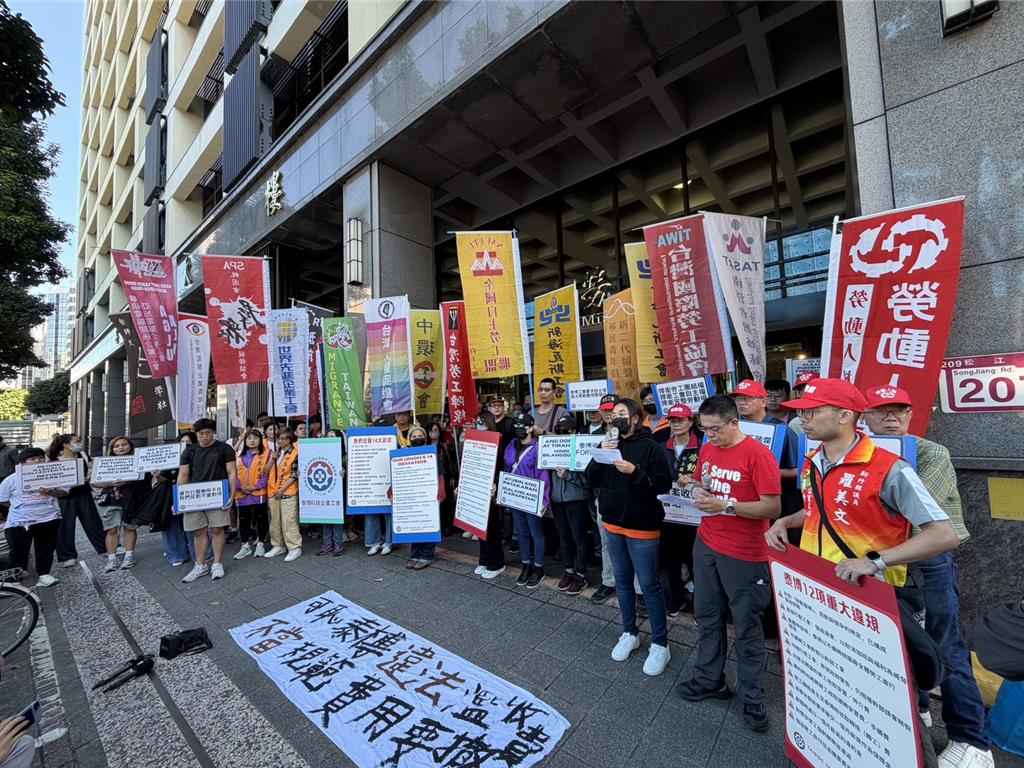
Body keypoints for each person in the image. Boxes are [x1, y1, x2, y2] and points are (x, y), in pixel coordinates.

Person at [860, 385, 991, 768]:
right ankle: (916, 710)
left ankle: (971, 739)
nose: (892, 418)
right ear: (863, 417)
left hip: (926, 560)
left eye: (899, 411)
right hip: (877, 559)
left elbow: (912, 511)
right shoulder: (857, 455)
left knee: (944, 642)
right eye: (881, 411)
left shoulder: (931, 452)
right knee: (899, 639)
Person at [676, 394, 781, 732]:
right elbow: (706, 482)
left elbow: (771, 508)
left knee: (747, 626)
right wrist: (696, 488)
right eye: (704, 430)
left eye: (716, 430)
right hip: (707, 543)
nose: (709, 436)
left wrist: (727, 506)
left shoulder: (758, 455)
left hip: (745, 553)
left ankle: (753, 697)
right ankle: (710, 679)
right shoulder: (708, 448)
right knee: (706, 615)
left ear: (734, 423)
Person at [587, 398, 673, 675]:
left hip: (642, 526)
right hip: (612, 524)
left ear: (635, 418)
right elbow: (591, 479)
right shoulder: (608, 443)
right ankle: (629, 632)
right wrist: (601, 454)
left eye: (622, 413)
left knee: (648, 586)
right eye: (614, 414)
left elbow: (662, 485)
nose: (616, 418)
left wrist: (635, 472)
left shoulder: (650, 448)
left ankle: (661, 643)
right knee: (623, 583)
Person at [729, 379, 801, 519]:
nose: (741, 402)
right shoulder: (733, 428)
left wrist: (764, 473)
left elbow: (801, 470)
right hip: (743, 504)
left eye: (748, 398)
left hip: (778, 504)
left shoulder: (780, 430)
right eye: (738, 398)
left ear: (763, 402)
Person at [177, 418, 238, 582]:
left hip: (218, 495)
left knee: (218, 529)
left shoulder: (224, 449)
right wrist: (177, 499)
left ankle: (217, 563)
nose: (205, 436)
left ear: (213, 432)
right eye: (201, 433)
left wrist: (232, 493)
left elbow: (232, 472)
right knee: (198, 531)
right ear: (196, 434)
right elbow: (183, 475)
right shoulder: (189, 451)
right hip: (194, 496)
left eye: (208, 433)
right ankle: (200, 564)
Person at [0, 447, 68, 586]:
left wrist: (51, 493)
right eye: (32, 459)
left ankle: (44, 575)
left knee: (45, 549)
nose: (37, 461)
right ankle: (14, 581)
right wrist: (18, 508)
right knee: (18, 551)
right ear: (23, 463)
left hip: (49, 519)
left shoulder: (53, 476)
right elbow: (2, 499)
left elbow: (64, 492)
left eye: (40, 458)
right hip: (19, 523)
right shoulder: (11, 479)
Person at [660, 404, 701, 616]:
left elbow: (709, 478)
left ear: (691, 422)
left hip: (693, 515)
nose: (676, 424)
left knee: (695, 559)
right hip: (667, 514)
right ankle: (676, 599)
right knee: (671, 559)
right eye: (672, 420)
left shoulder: (703, 447)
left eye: (681, 420)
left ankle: (698, 604)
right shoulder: (660, 447)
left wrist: (695, 480)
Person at [504, 412, 551, 588]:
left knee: (536, 533)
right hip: (516, 497)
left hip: (533, 497)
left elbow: (543, 474)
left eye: (522, 425)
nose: (518, 428)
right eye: (516, 425)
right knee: (521, 532)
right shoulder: (511, 445)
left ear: (531, 428)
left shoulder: (538, 447)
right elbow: (507, 469)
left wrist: (544, 501)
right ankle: (526, 565)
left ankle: (538, 568)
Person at [46, 433, 106, 567]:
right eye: (76, 441)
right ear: (66, 445)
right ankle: (67, 556)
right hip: (64, 498)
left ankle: (104, 547)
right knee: (65, 526)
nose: (80, 444)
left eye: (80, 441)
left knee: (93, 522)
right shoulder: (54, 462)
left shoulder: (83, 456)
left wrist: (90, 477)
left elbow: (93, 471)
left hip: (84, 494)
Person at [92, 436, 149, 572]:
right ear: (112, 449)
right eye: (117, 446)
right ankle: (112, 558)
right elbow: (94, 482)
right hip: (112, 498)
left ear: (130, 446)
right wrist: (111, 483)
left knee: (129, 527)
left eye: (124, 444)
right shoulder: (104, 462)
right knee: (112, 529)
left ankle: (129, 555)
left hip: (132, 498)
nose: (121, 448)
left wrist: (129, 481)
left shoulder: (139, 461)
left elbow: (145, 479)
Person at [549, 415, 590, 595]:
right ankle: (568, 571)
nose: (563, 433)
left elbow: (588, 481)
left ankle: (581, 574)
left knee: (579, 537)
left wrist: (569, 475)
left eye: (567, 430)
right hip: (557, 500)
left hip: (576, 500)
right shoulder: (551, 448)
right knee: (563, 537)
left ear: (575, 431)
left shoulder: (582, 448)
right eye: (559, 430)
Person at [467, 411, 506, 579]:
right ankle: (483, 559)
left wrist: (497, 482)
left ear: (490, 423)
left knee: (492, 527)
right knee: (480, 525)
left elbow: (504, 465)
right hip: (477, 487)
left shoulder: (499, 440)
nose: (479, 426)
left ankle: (496, 563)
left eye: (482, 423)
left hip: (491, 489)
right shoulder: (473, 441)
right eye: (477, 423)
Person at [590, 394, 619, 604]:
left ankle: (638, 589)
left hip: (628, 496)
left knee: (631, 543)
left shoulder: (631, 434)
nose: (608, 414)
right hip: (603, 495)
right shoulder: (594, 435)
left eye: (612, 410)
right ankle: (608, 580)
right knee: (606, 541)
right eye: (605, 410)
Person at [406, 425, 445, 569]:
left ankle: (426, 555)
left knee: (428, 524)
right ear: (409, 439)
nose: (417, 439)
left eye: (420, 436)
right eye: (414, 437)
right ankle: (415, 554)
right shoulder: (404, 455)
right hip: (413, 496)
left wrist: (440, 494)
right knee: (415, 526)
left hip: (429, 496)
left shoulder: (432, 453)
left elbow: (440, 475)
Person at [264, 427, 302, 561]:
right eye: (279, 438)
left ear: (290, 439)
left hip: (288, 491)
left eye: (284, 438)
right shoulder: (276, 452)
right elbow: (266, 471)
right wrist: (271, 459)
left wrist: (282, 490)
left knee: (289, 520)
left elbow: (294, 475)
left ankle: (294, 547)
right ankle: (278, 545)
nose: (280, 441)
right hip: (273, 491)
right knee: (275, 521)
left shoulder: (295, 452)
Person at [233, 429, 270, 560]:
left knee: (261, 518)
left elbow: (267, 473)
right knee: (243, 519)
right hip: (241, 492)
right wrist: (240, 486)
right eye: (249, 438)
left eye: (255, 438)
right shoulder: (238, 455)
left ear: (260, 440)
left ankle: (260, 543)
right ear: (245, 440)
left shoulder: (267, 454)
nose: (252, 441)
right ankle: (244, 546)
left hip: (259, 492)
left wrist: (256, 487)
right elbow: (233, 473)